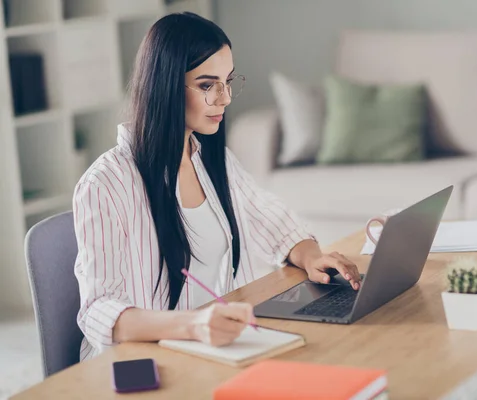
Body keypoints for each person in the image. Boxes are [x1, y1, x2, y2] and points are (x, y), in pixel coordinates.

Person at [72, 12, 362, 361]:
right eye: (208, 85)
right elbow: (98, 310)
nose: (225, 98)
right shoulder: (105, 184)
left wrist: (312, 255)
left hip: (207, 350)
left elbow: (271, 220)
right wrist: (192, 325)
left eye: (227, 81)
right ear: (164, 85)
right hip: (141, 362)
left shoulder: (211, 158)